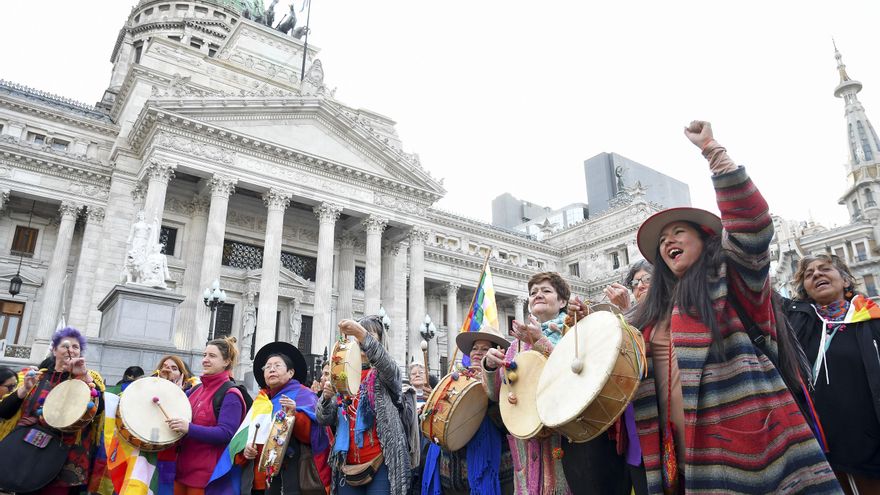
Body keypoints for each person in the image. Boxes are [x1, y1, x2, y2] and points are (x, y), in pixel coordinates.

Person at [627, 121, 838, 493]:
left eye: (678, 232)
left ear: (707, 239)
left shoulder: (733, 280)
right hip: (678, 454)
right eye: (662, 240)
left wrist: (713, 151)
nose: (668, 241)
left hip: (751, 445)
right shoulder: (646, 318)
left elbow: (753, 225)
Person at [786, 253, 880, 494]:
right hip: (821, 448)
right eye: (809, 274)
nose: (817, 274)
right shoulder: (798, 323)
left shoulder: (872, 320)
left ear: (846, 280)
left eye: (825, 269)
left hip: (870, 445)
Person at [483, 272, 571, 494]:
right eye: (533, 293)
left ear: (562, 302)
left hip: (563, 442)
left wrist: (540, 341)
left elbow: (570, 376)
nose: (538, 295)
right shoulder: (517, 346)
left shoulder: (573, 333)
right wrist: (491, 366)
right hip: (527, 447)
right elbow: (497, 394)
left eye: (546, 291)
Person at [0, 327, 107, 494]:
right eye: (65, 345)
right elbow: (4, 412)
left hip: (66, 459)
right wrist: (23, 390)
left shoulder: (90, 378)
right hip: (28, 453)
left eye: (75, 347)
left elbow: (98, 410)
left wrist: (84, 376)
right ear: (54, 349)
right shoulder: (35, 376)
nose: (70, 350)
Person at [316, 316, 411, 495]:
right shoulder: (343, 375)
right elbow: (323, 419)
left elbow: (388, 367)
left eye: (369, 337)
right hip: (348, 464)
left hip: (382, 462)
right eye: (358, 338)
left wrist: (360, 333)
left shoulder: (385, 374)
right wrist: (326, 399)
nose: (361, 341)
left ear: (380, 343)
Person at [421, 325, 514, 495]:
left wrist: (486, 394)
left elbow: (507, 424)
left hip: (489, 469)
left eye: (485, 349)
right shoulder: (456, 379)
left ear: (497, 353)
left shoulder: (506, 384)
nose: (477, 352)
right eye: (475, 348)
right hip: (450, 475)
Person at [239, 341, 332, 494]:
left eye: (277, 365)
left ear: (291, 372)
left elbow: (314, 434)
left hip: (290, 473)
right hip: (259, 479)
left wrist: (294, 414)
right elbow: (251, 435)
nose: (272, 370)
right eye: (267, 367)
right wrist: (248, 449)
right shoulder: (262, 400)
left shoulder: (304, 395)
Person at [168, 336, 248, 494]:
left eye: (212, 356)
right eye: (204, 355)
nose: (205, 359)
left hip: (206, 479)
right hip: (180, 471)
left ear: (226, 362)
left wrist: (188, 428)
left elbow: (226, 433)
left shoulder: (231, 394)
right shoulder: (196, 390)